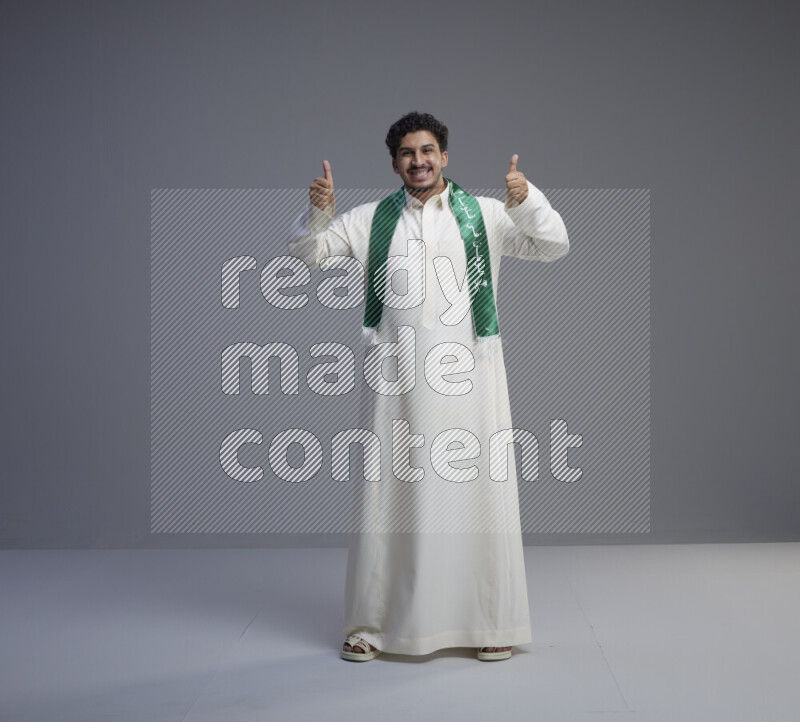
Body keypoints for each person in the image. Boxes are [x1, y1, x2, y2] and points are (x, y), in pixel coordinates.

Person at [287, 112, 569, 662]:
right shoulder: (371, 220)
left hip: (471, 380)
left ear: (445, 157)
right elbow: (305, 253)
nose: (419, 161)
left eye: (428, 151)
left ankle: (488, 623)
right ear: (395, 163)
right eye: (408, 154)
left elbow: (553, 245)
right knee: (388, 498)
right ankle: (371, 626)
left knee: (476, 496)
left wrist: (526, 199)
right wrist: (317, 214)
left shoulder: (484, 215)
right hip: (394, 384)